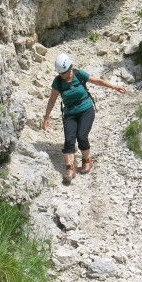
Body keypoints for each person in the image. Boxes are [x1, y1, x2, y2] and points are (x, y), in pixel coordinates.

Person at [43, 52, 126, 184]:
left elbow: (97, 81)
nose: (62, 75)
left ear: (70, 68)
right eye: (60, 73)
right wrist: (46, 117)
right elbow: (52, 100)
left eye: (63, 73)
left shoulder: (79, 74)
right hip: (70, 112)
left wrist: (114, 87)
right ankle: (70, 168)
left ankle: (86, 160)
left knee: (82, 136)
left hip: (86, 109)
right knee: (69, 139)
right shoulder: (58, 81)